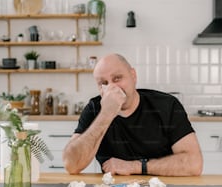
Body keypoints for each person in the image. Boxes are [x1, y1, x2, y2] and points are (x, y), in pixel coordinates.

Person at [62, 53, 203, 176]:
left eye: (117, 78)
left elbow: (194, 164)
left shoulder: (167, 105)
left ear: (133, 76)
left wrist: (135, 166)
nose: (112, 88)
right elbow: (71, 165)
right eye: (103, 83)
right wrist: (106, 114)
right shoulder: (94, 109)